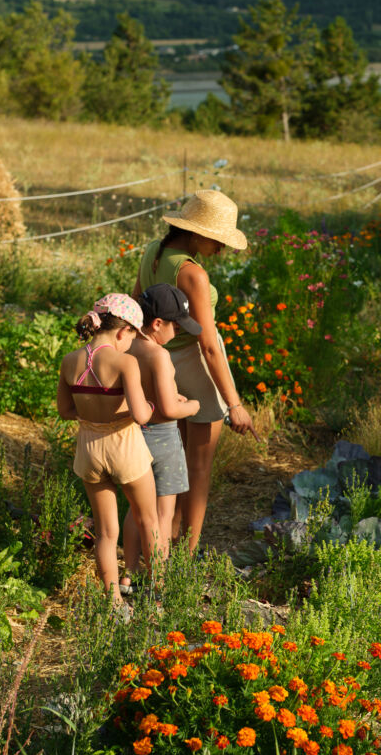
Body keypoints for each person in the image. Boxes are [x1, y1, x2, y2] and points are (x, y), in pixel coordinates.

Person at [133, 189, 258, 553]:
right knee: (199, 469)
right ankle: (186, 556)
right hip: (196, 366)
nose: (223, 248)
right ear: (196, 233)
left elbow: (138, 308)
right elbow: (207, 343)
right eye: (218, 239)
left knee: (172, 461)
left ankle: (165, 541)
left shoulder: (152, 253)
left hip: (162, 362)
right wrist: (234, 404)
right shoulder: (193, 274)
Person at [56, 293, 161, 607]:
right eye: (133, 335)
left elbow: (64, 410)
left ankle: (113, 602)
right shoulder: (125, 361)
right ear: (122, 330)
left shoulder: (69, 360)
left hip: (89, 448)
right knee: (148, 521)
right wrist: (151, 406)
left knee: (105, 532)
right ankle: (159, 594)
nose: (132, 342)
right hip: (125, 446)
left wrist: (93, 416)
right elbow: (142, 415)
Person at [120, 283, 202, 593]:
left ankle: (127, 574)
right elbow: (167, 408)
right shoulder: (159, 355)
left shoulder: (127, 348)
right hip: (164, 439)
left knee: (136, 509)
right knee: (163, 515)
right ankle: (159, 583)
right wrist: (192, 405)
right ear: (157, 324)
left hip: (132, 436)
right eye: (175, 325)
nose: (178, 332)